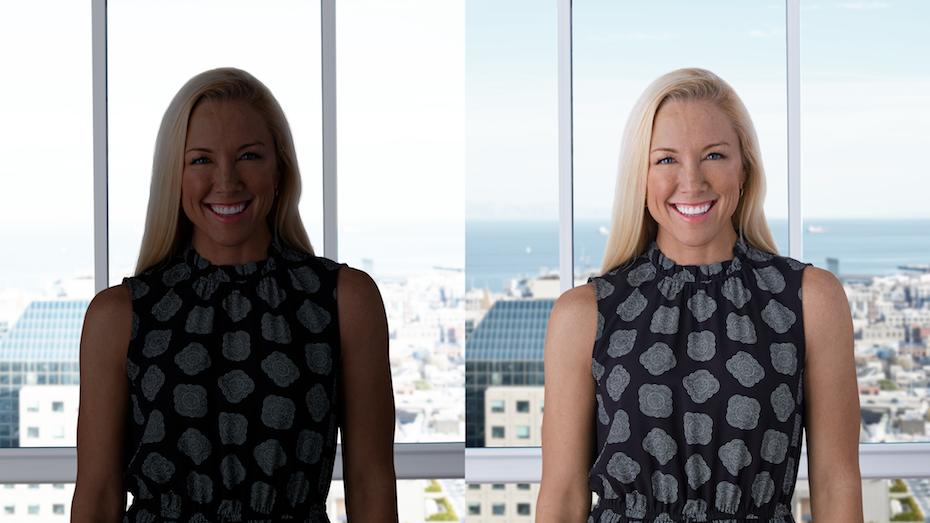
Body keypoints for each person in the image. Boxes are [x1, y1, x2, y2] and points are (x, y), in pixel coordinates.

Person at [71, 67, 398, 522]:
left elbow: (372, 481)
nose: (227, 181)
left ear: (280, 168)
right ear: (175, 176)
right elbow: (97, 493)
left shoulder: (346, 301)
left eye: (248, 156)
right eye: (201, 160)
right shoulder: (118, 316)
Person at [536, 68, 862, 522]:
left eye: (713, 155)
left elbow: (836, 481)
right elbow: (563, 494)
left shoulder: (810, 301)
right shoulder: (584, 314)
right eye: (666, 159)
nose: (692, 181)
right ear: (641, 177)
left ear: (744, 168)